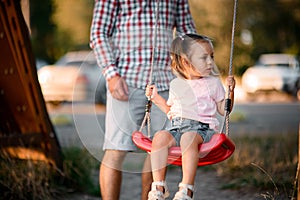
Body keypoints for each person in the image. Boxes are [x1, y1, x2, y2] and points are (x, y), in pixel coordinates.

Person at [89, 1, 196, 199]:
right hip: (125, 81)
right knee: (115, 150)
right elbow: (99, 32)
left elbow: (186, 33)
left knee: (159, 150)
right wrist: (111, 74)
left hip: (166, 83)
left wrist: (193, 71)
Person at [145, 33, 236, 200]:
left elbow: (224, 110)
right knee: (159, 137)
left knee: (188, 138)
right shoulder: (176, 84)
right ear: (186, 62)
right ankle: (159, 187)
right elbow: (171, 111)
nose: (210, 62)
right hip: (176, 126)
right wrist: (156, 99)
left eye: (212, 57)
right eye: (204, 58)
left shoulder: (213, 83)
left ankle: (186, 189)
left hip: (202, 130)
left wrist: (231, 91)